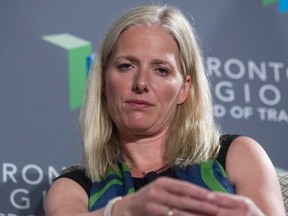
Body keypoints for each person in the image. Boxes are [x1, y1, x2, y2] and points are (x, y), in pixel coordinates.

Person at [44, 4, 285, 216]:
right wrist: (126, 210)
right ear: (104, 82)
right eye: (126, 66)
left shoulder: (237, 156)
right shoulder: (75, 186)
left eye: (161, 70)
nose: (141, 83)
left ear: (184, 88)